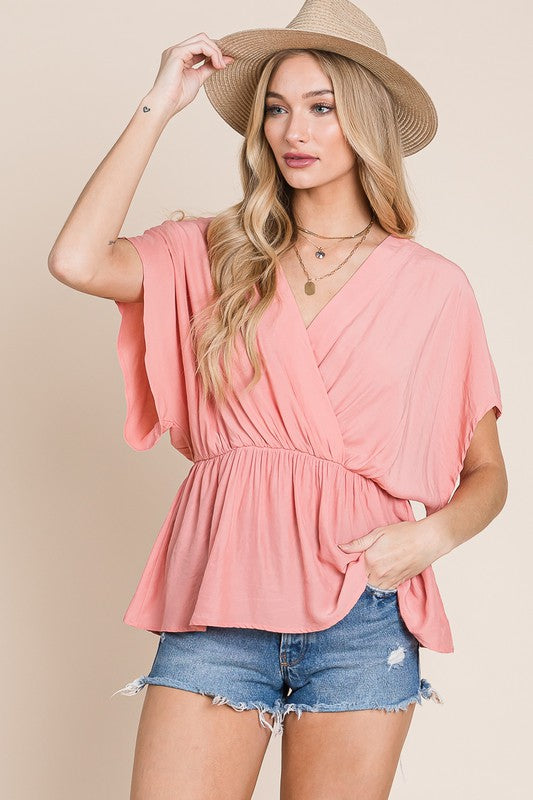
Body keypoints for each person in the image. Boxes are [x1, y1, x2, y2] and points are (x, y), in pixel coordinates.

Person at [48, 1, 508, 797]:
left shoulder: (435, 288)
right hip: (219, 604)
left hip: (361, 614)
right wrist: (159, 102)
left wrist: (428, 537)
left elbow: (486, 473)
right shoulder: (214, 252)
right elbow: (77, 260)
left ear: (363, 122)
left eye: (320, 108)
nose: (293, 130)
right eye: (275, 108)